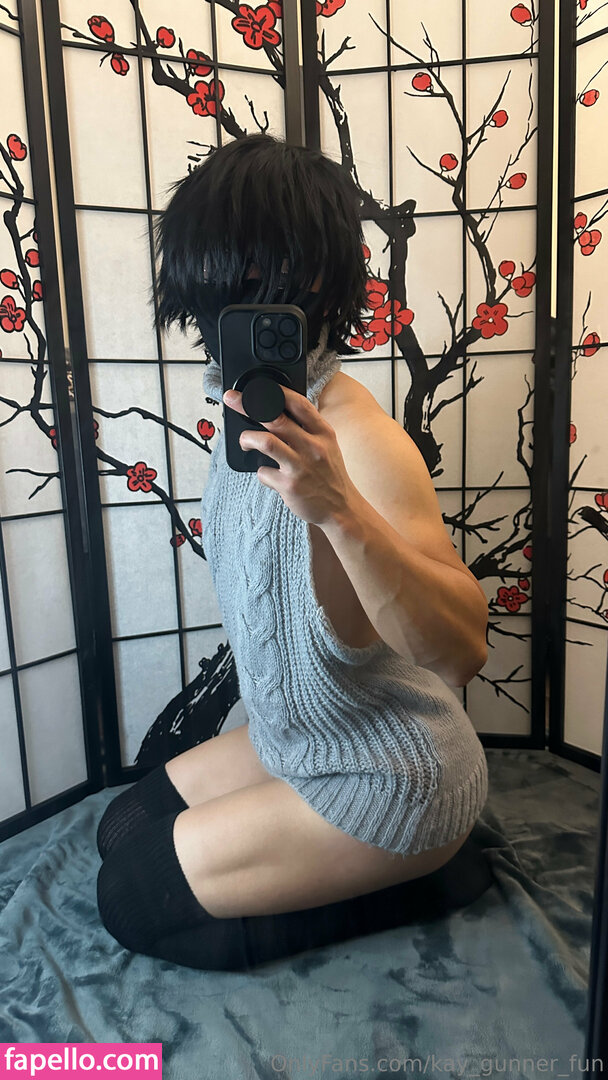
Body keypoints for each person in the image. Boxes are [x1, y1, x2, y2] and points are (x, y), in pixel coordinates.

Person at [96, 133, 492, 971]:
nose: (237, 285)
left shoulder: (363, 443)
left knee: (130, 897)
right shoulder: (242, 418)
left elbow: (461, 651)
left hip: (391, 771)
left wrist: (339, 509)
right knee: (121, 827)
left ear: (315, 280)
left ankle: (438, 873)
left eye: (263, 266)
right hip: (305, 738)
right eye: (221, 262)